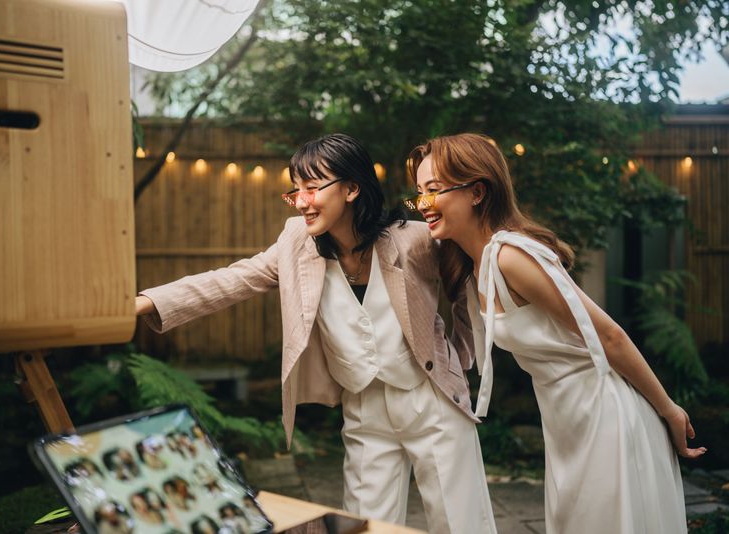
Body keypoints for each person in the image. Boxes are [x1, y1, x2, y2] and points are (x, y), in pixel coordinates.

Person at [136, 133, 496, 533]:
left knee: (461, 522)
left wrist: (461, 358)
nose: (302, 200)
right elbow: (230, 280)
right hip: (363, 407)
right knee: (364, 526)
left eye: (313, 187)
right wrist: (145, 302)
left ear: (352, 188)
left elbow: (466, 284)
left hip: (432, 400)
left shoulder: (412, 239)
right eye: (296, 190)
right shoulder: (296, 245)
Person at [406, 132, 706, 534]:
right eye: (419, 193)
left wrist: (668, 409)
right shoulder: (475, 266)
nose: (423, 204)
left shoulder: (511, 256)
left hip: (604, 413)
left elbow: (609, 336)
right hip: (565, 420)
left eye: (434, 190)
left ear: (477, 192)